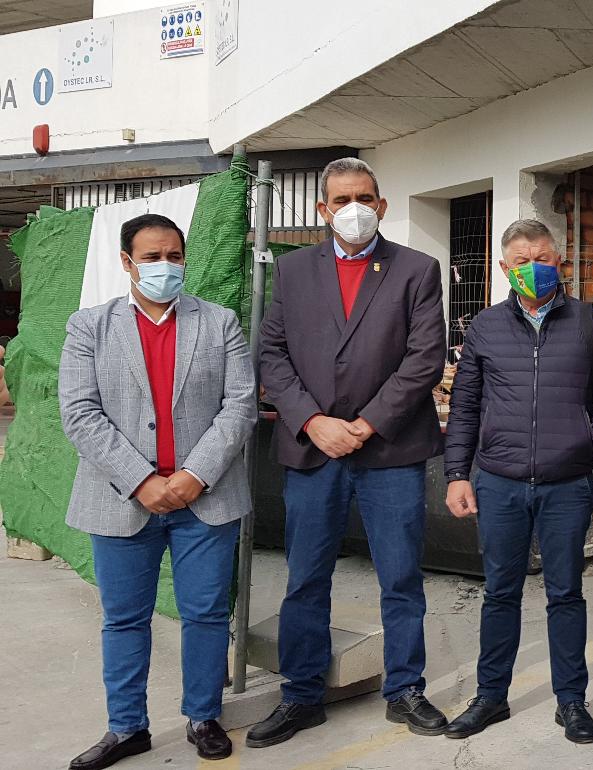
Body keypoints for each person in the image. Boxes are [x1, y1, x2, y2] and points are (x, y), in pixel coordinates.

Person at [252, 158, 449, 747]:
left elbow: (423, 359)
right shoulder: (290, 271)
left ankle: (406, 689)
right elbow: (272, 356)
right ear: (322, 210)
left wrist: (362, 426)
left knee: (401, 576)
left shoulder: (416, 269)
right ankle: (301, 694)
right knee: (306, 576)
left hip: (388, 450)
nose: (354, 208)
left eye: (365, 197)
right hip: (313, 450)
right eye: (341, 199)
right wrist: (313, 421)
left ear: (382, 205)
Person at [60, 214, 256, 769]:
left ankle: (202, 715)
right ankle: (126, 729)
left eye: (174, 256)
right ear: (127, 263)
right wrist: (142, 481)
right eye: (151, 257)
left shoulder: (219, 323)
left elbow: (240, 405)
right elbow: (79, 412)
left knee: (206, 615)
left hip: (205, 497)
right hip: (122, 499)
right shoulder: (88, 327)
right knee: (123, 619)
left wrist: (194, 475)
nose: (164, 266)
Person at [442, 219, 593, 744]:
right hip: (499, 482)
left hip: (566, 485)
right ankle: (490, 697)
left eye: (545, 257)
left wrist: (588, 435)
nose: (536, 268)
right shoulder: (483, 327)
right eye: (523, 260)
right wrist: (457, 473)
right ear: (506, 268)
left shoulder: (590, 323)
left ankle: (571, 701)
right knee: (500, 593)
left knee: (565, 594)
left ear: (561, 262)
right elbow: (463, 406)